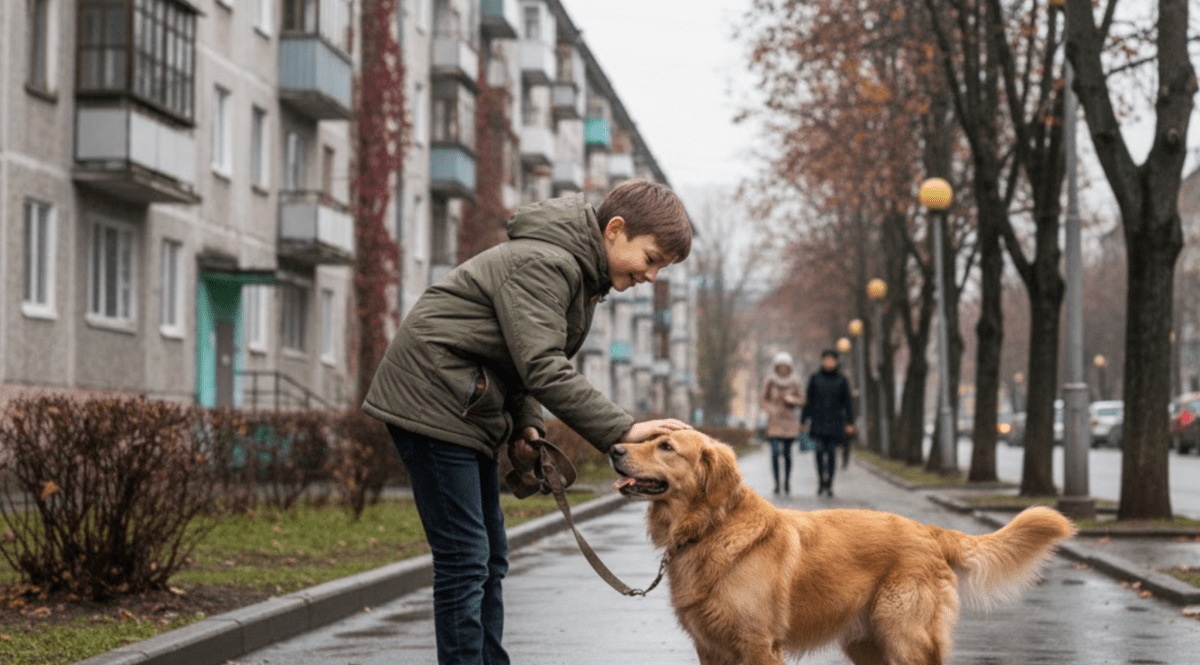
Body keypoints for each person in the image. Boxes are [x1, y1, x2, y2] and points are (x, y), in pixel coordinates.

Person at [361, 180, 693, 665]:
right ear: (616, 231)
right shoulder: (546, 263)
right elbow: (542, 366)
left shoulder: (576, 274)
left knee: (488, 557)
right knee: (465, 559)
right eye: (652, 258)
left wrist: (526, 425)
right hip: (433, 398)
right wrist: (622, 428)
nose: (652, 276)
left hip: (464, 401)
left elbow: (520, 362)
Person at [801, 349, 855, 497]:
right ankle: (820, 482)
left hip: (835, 422)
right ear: (822, 361)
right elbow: (809, 401)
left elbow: (847, 403)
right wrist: (804, 419)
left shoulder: (841, 380)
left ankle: (829, 483)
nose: (829, 362)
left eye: (832, 360)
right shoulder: (815, 378)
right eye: (826, 359)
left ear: (836, 362)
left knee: (831, 453)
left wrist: (850, 422)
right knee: (818, 453)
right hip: (818, 421)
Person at [760, 352, 804, 494]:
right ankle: (777, 482)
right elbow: (763, 399)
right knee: (774, 453)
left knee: (787, 454)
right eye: (781, 366)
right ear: (777, 367)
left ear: (789, 367)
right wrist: (770, 409)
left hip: (789, 421)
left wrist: (793, 400)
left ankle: (786, 481)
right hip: (774, 422)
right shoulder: (770, 381)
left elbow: (802, 400)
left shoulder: (795, 381)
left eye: (786, 366)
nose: (783, 369)